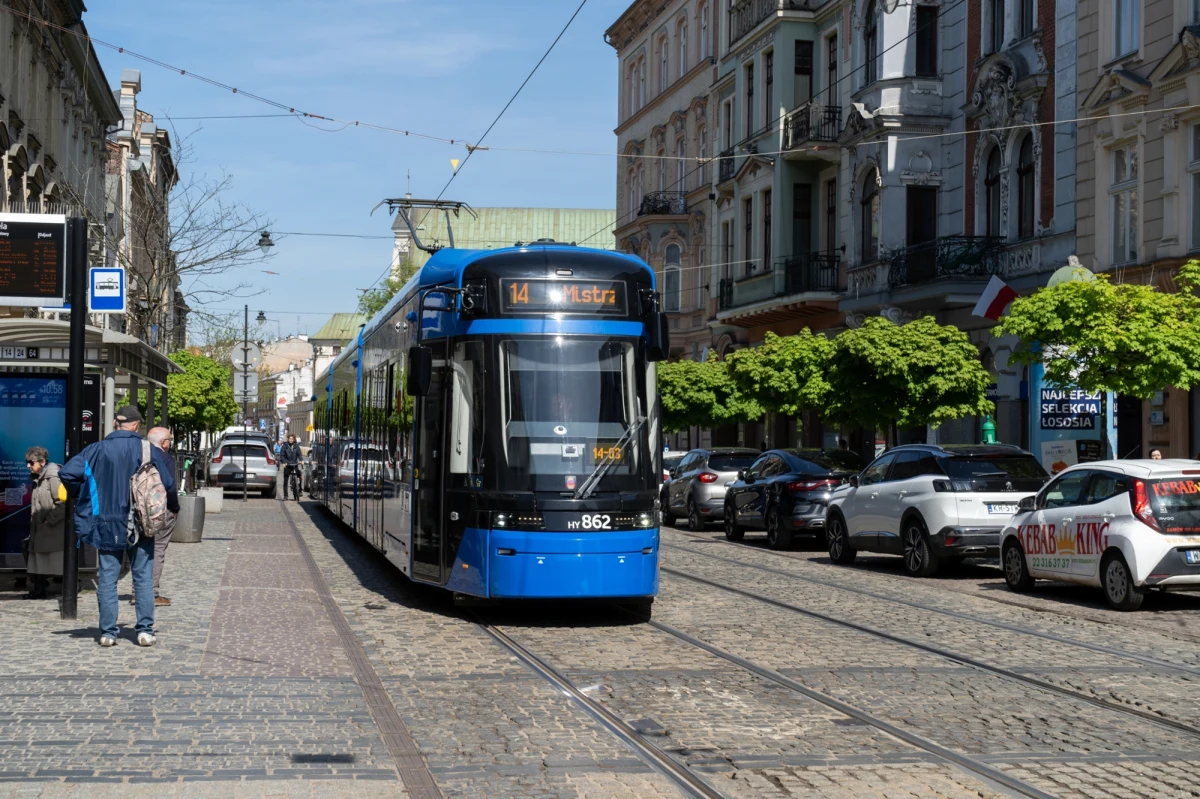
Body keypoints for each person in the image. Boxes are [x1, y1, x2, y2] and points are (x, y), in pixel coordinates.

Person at [60, 405, 178, 648]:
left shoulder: (95, 449)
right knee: (143, 577)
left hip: (106, 524)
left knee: (107, 579)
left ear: (116, 423)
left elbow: (68, 474)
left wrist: (86, 494)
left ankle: (108, 633)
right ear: (136, 425)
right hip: (141, 523)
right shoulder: (147, 449)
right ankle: (145, 631)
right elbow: (167, 483)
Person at [24, 446, 65, 599]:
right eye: (27, 462)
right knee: (37, 559)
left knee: (52, 560)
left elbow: (64, 502)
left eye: (31, 462)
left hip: (51, 529)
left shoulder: (53, 477)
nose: (28, 465)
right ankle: (39, 590)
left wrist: (49, 520)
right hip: (41, 528)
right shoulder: (39, 477)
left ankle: (60, 589)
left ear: (42, 462)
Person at [146, 427, 178, 607]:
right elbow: (170, 486)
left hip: (140, 509)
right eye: (169, 440)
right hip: (160, 509)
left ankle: (138, 591)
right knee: (157, 549)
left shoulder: (139, 454)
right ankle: (151, 592)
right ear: (164, 442)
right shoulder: (165, 458)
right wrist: (174, 508)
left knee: (142, 550)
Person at [279, 434, 302, 501]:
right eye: (290, 439)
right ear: (288, 439)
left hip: (294, 464)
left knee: (300, 474)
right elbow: (282, 455)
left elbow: (299, 454)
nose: (291, 440)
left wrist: (301, 460)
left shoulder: (296, 446)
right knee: (285, 480)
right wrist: (284, 462)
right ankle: (285, 495)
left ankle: (300, 489)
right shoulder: (284, 446)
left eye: (292, 439)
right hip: (287, 464)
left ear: (294, 439)